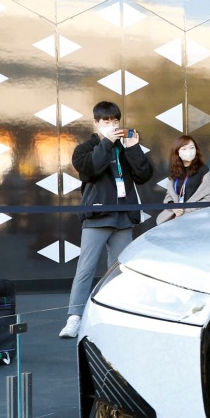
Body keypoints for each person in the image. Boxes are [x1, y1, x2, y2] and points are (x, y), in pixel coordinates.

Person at [59, 102, 154, 338]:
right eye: (106, 121)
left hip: (124, 216)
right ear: (96, 123)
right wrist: (107, 142)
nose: (112, 125)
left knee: (119, 269)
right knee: (86, 268)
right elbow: (90, 169)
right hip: (97, 215)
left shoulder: (126, 146)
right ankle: (74, 317)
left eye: (115, 121)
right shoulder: (85, 148)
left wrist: (133, 148)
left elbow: (144, 175)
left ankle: (116, 313)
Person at [157, 135, 210, 225]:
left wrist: (186, 210)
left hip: (196, 218)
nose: (189, 151)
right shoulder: (176, 171)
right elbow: (169, 195)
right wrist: (174, 207)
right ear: (177, 152)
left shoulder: (203, 170)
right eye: (184, 149)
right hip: (176, 217)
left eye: (192, 148)